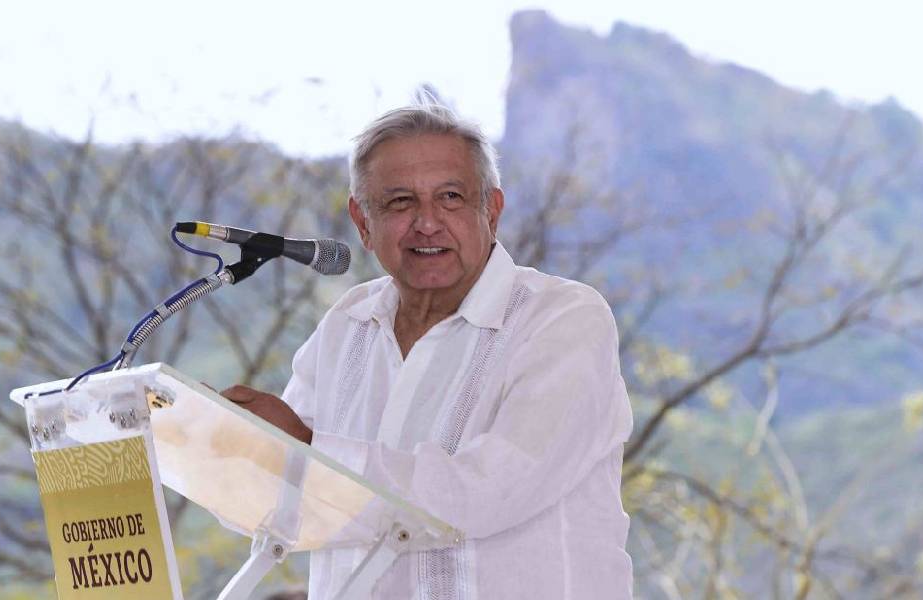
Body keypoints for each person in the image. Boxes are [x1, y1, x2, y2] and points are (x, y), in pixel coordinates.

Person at [221, 103, 634, 599]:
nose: (427, 223)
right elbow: (276, 509)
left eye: (451, 198)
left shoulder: (563, 318)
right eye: (400, 202)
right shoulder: (346, 324)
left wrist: (308, 450)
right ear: (362, 222)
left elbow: (492, 490)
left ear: (492, 210)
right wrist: (205, 432)